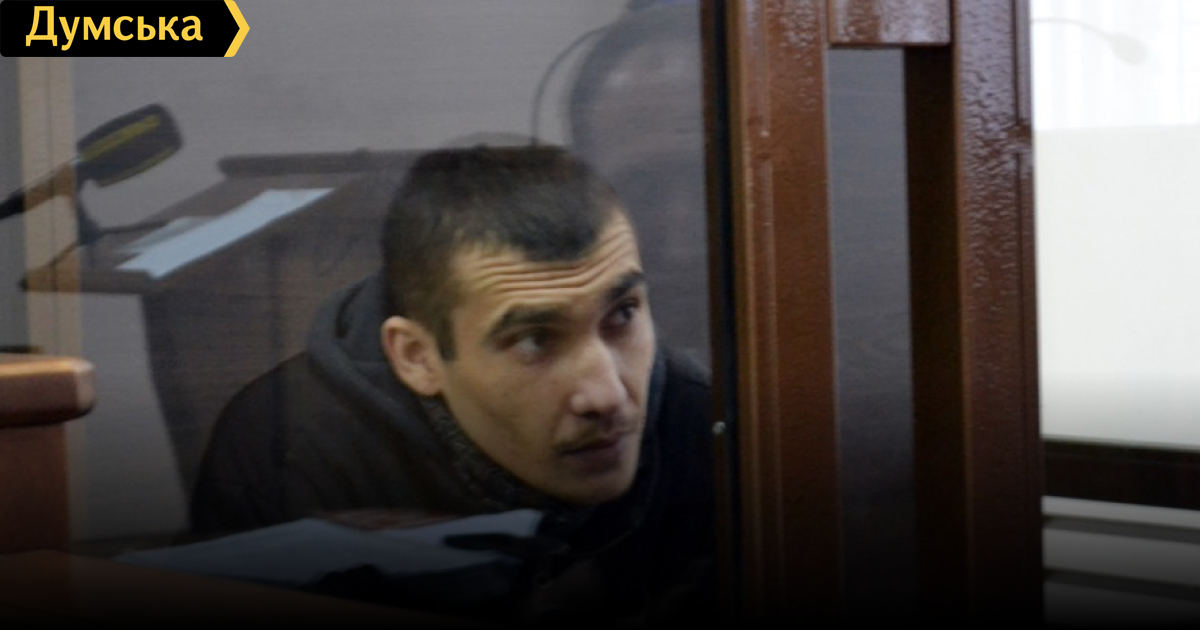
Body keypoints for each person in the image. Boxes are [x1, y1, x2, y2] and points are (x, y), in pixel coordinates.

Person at [189, 144, 717, 625]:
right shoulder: (290, 454)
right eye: (533, 341)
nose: (607, 395)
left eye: (622, 314)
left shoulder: (706, 423)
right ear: (416, 358)